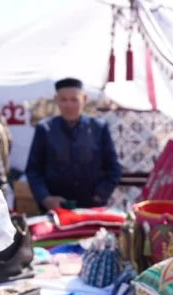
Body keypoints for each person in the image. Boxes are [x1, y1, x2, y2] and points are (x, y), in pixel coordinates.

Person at [25, 77, 122, 211]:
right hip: (56, 208)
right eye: (64, 100)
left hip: (92, 206)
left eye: (74, 99)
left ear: (84, 99)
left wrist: (100, 195)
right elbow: (33, 171)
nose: (69, 105)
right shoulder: (45, 129)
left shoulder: (99, 128)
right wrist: (46, 198)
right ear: (56, 100)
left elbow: (114, 168)